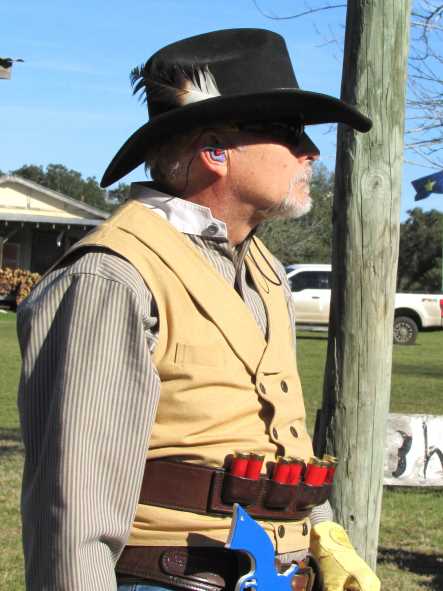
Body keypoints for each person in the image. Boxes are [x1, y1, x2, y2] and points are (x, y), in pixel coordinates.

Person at [17, 28, 380, 591]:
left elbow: (277, 433)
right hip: (163, 577)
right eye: (290, 132)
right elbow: (72, 502)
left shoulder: (263, 268)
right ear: (215, 152)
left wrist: (320, 529)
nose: (311, 152)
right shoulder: (112, 274)